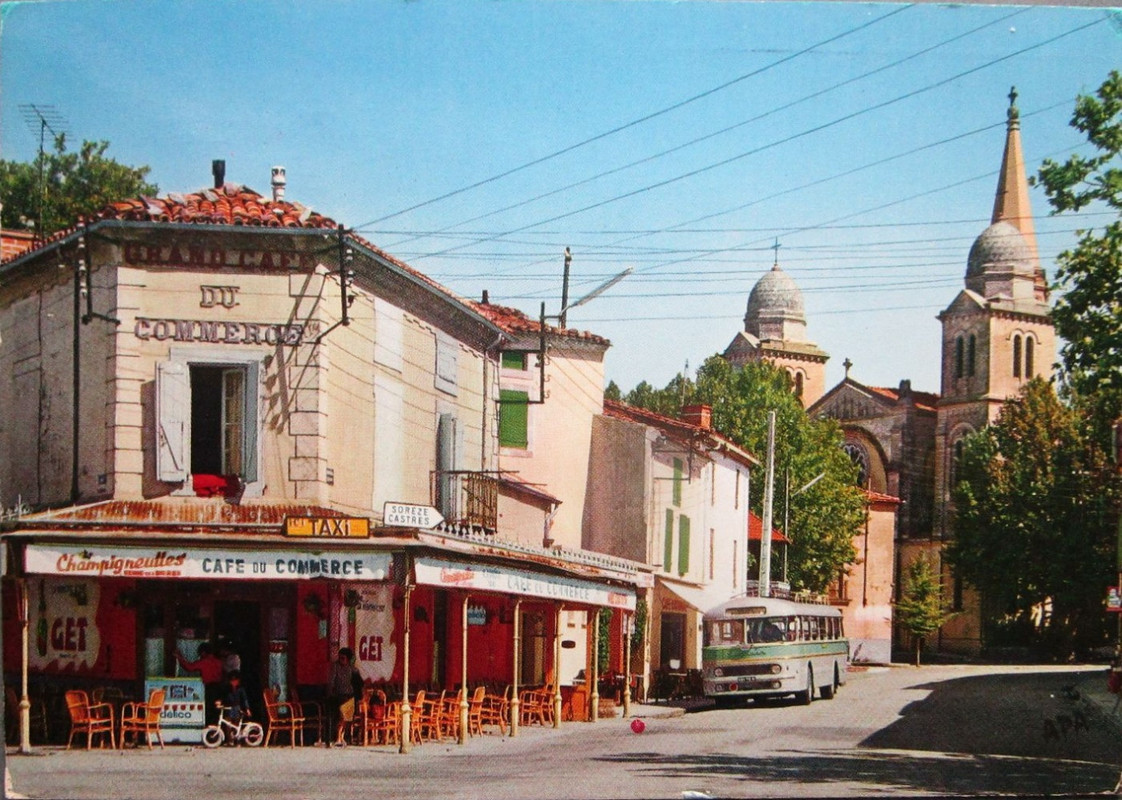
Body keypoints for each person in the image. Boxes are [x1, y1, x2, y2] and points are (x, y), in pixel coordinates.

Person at [175, 643, 224, 725]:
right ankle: (216, 726)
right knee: (216, 709)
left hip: (210, 688)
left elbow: (189, 667)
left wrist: (179, 657)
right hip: (219, 687)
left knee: (208, 708)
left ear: (203, 652)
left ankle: (209, 726)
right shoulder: (219, 662)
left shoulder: (204, 662)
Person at [326, 647, 362, 747]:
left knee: (347, 719)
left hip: (350, 696)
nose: (341, 660)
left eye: (343, 658)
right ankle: (338, 737)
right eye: (340, 658)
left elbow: (357, 682)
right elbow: (331, 680)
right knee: (341, 717)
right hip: (339, 695)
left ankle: (341, 737)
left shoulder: (352, 669)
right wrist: (330, 692)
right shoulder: (336, 667)